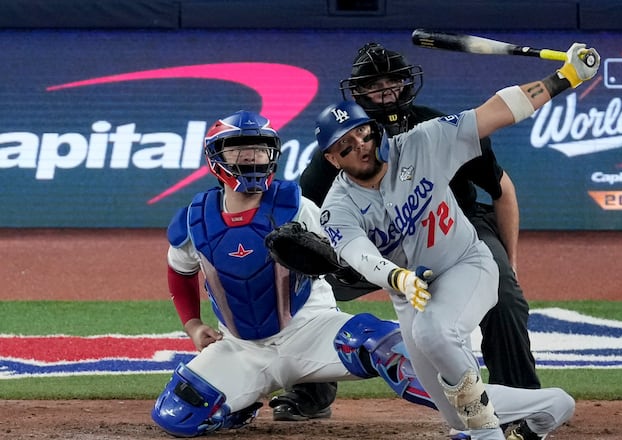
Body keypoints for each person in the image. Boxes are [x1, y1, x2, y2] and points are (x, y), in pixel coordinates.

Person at [313, 43, 600, 440]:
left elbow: (496, 111)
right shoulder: (337, 205)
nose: (358, 145)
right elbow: (358, 255)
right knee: (451, 409)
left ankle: (488, 434)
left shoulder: (424, 140)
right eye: (345, 145)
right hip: (410, 293)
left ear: (372, 129)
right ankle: (551, 405)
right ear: (332, 159)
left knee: (437, 334)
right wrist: (397, 279)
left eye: (362, 133)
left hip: (465, 264)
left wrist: (565, 78)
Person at [276, 42, 541, 436]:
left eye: (392, 79)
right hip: (378, 244)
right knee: (299, 282)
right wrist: (320, 260)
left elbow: (501, 189)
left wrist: (510, 267)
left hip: (455, 226)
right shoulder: (338, 148)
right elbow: (307, 216)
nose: (384, 89)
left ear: (406, 82)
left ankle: (521, 406)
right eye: (373, 83)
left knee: (503, 293)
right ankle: (309, 393)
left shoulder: (435, 125)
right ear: (358, 91)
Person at [150, 110, 435, 437]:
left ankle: (475, 413)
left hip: (311, 330)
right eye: (240, 149)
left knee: (386, 346)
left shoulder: (298, 207)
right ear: (216, 158)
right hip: (242, 348)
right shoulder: (194, 221)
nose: (252, 156)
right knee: (176, 415)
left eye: (260, 149)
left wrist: (336, 262)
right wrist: (193, 325)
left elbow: (347, 254)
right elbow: (179, 272)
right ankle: (241, 403)